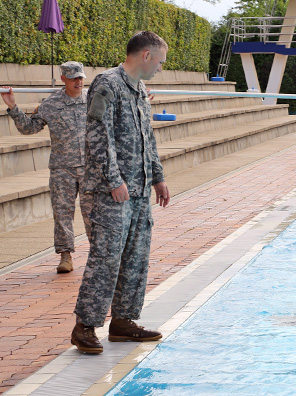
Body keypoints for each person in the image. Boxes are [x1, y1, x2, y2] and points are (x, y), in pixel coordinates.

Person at [71, 31, 170, 354]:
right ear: (146, 56)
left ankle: (123, 322)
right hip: (108, 191)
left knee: (136, 257)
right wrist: (114, 179)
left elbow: (146, 137)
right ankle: (85, 326)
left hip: (139, 190)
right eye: (159, 61)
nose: (160, 68)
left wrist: (157, 176)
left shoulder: (139, 89)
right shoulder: (107, 84)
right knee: (106, 258)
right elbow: (99, 136)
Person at [1, 62, 92, 273]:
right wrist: (13, 107)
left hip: (89, 167)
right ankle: (66, 256)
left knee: (93, 214)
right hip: (62, 168)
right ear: (63, 79)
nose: (78, 82)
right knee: (62, 214)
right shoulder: (50, 104)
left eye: (80, 78)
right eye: (73, 78)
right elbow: (29, 128)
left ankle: (98, 255)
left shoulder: (93, 100)